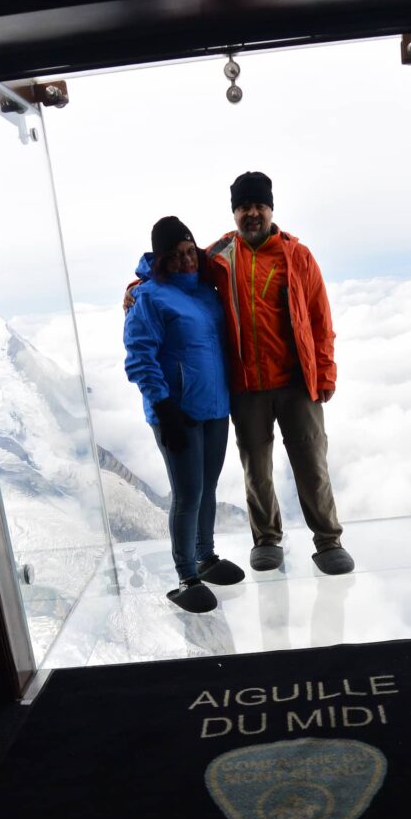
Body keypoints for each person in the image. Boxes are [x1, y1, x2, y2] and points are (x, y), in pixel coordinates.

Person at [206, 171, 354, 575]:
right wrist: (136, 284)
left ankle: (328, 541)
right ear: (234, 212)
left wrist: (326, 373)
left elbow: (321, 319)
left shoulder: (297, 256)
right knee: (256, 467)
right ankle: (267, 538)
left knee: (311, 462)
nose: (252, 213)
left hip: (296, 383)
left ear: (271, 209)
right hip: (247, 385)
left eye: (259, 206)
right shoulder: (219, 256)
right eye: (243, 207)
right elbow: (174, 269)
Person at [123, 216, 244, 613]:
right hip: (177, 412)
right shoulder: (150, 297)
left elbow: (229, 241)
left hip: (214, 406)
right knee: (188, 493)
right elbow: (139, 357)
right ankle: (185, 575)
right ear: (160, 261)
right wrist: (163, 407)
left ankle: (205, 557)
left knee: (207, 487)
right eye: (175, 256)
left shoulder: (208, 292)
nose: (186, 260)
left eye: (190, 251)